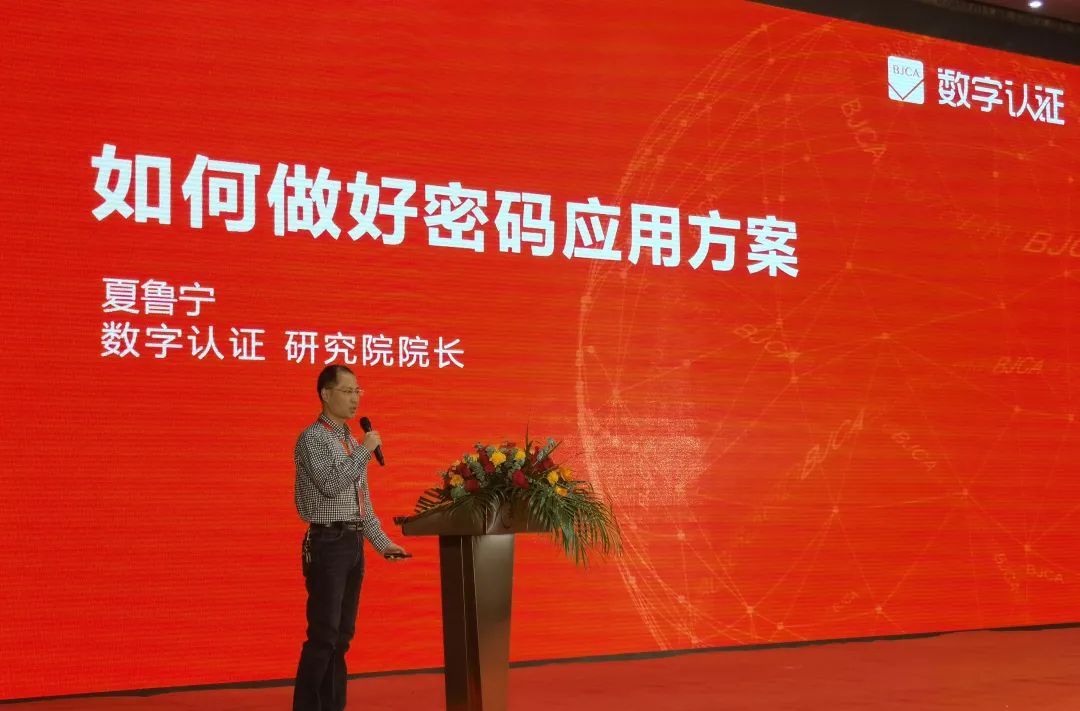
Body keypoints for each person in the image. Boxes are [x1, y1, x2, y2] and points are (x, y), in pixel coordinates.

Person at [292, 364, 409, 711]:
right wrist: (363, 452)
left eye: (358, 391)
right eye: (347, 391)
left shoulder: (349, 441)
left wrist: (383, 543)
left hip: (353, 544)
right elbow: (330, 485)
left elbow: (363, 506)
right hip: (327, 544)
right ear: (326, 394)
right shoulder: (313, 438)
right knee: (323, 634)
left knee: (342, 637)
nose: (355, 398)